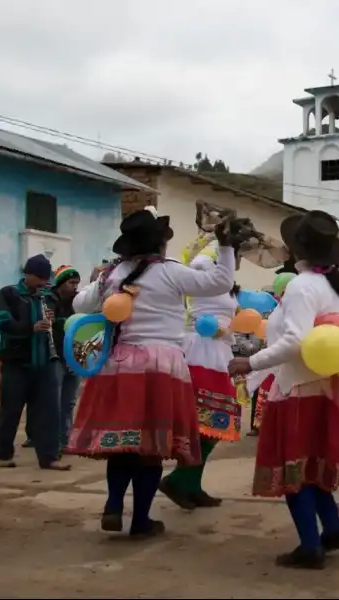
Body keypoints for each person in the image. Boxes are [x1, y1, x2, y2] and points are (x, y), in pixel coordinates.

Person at [67, 206, 237, 538]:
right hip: (162, 366)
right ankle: (141, 521)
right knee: (151, 447)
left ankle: (114, 505)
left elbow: (78, 305)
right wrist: (226, 247)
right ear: (160, 244)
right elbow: (221, 281)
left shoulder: (113, 275)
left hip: (119, 366)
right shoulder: (170, 271)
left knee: (123, 444)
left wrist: (97, 280)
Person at [228, 210, 339, 570]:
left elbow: (295, 340)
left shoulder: (303, 286)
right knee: (312, 467)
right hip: (324, 385)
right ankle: (332, 527)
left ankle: (310, 545)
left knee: (295, 472)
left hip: (297, 388)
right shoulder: (333, 287)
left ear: (296, 250)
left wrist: (251, 362)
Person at [158, 244, 244, 510]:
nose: (238, 259)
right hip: (201, 352)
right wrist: (217, 243)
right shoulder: (203, 269)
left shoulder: (225, 281)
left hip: (219, 352)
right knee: (204, 424)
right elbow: (196, 263)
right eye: (236, 253)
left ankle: (191, 484)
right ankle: (180, 479)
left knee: (214, 425)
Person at [0, 254, 69, 471]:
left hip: (46, 364)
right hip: (16, 364)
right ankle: (3, 454)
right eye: (40, 278)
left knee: (49, 412)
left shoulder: (49, 297)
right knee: (10, 410)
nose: (44, 283)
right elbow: (2, 323)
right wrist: (30, 328)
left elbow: (64, 322)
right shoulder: (9, 294)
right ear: (28, 274)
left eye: (46, 279)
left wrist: (54, 322)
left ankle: (49, 457)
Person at [50, 265, 82, 454]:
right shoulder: (48, 300)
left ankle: (65, 439)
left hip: (75, 356)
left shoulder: (78, 302)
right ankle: (50, 439)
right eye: (71, 282)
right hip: (56, 358)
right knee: (53, 401)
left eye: (77, 283)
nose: (74, 286)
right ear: (61, 283)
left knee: (69, 402)